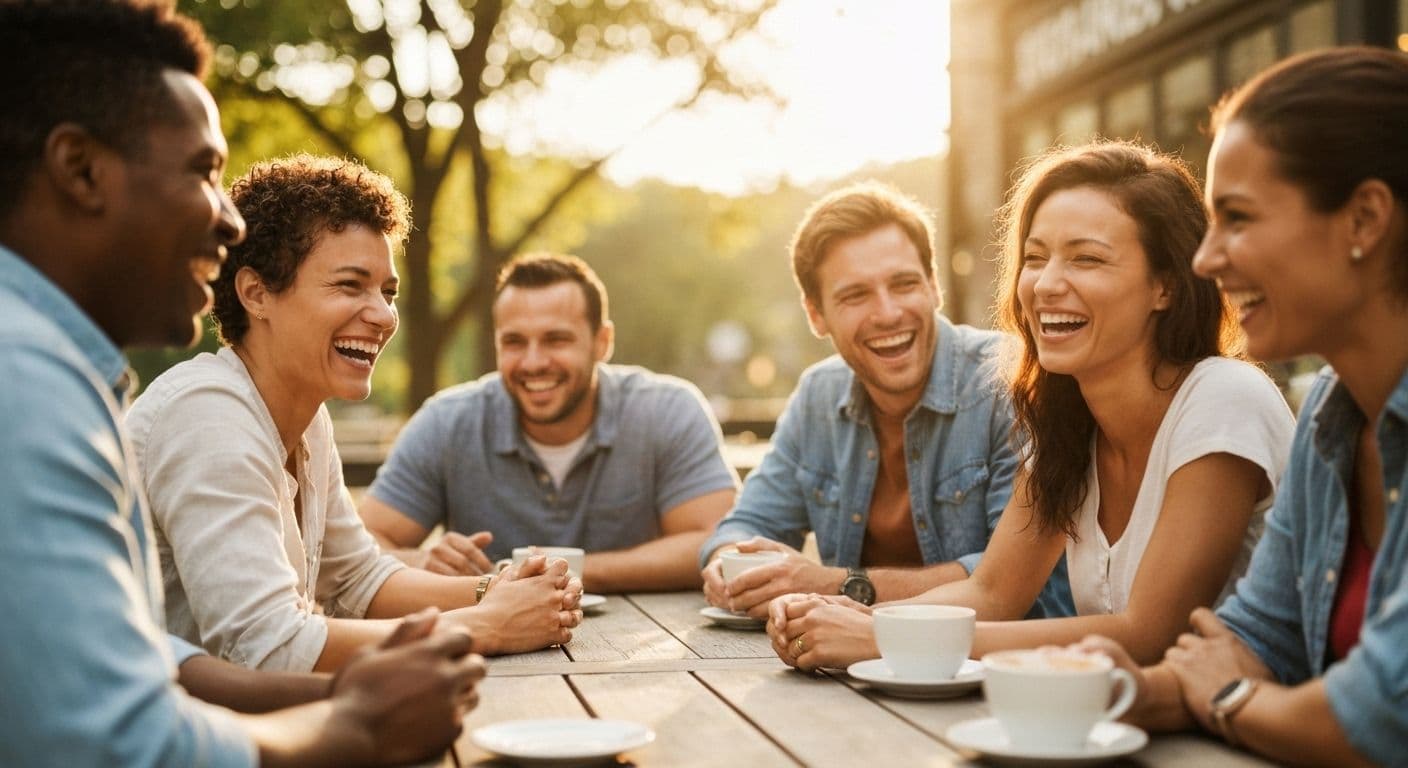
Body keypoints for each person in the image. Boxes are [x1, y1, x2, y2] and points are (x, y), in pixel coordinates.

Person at [0, 2, 481, 764]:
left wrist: (352, 693)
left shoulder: (55, 372)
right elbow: (120, 743)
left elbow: (155, 663)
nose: (228, 223)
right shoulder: (26, 382)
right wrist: (357, 726)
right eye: (204, 172)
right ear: (80, 169)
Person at [766, 142, 1295, 672]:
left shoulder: (1224, 400)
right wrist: (837, 613)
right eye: (1035, 258)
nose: (1045, 284)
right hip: (1116, 725)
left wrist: (879, 635)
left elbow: (1146, 633)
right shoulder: (1063, 424)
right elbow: (993, 593)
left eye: (1086, 258)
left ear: (1166, 286)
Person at [1074, 47, 1408, 767]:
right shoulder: (1331, 414)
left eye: (1238, 218)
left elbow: (1380, 716)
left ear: (1365, 219)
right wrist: (1128, 687)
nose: (1205, 257)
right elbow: (1257, 639)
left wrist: (1230, 700)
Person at [127, 155, 582, 673]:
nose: (384, 315)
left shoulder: (306, 419)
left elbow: (358, 580)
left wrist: (494, 588)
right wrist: (487, 625)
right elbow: (268, 646)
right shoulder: (205, 415)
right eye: (349, 285)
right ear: (256, 294)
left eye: (387, 292)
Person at [699, 182, 1073, 619]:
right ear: (816, 314)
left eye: (903, 284)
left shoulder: (1012, 378)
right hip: (847, 670)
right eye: (855, 295)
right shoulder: (818, 395)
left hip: (998, 671)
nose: (888, 313)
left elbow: (1018, 585)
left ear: (934, 286)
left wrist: (835, 585)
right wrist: (728, 563)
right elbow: (747, 525)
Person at [360, 253, 738, 593]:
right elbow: (360, 541)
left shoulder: (668, 410)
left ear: (601, 342)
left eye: (556, 340)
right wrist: (419, 561)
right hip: (491, 654)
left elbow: (713, 540)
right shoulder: (447, 421)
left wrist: (566, 571)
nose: (533, 362)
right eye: (514, 342)